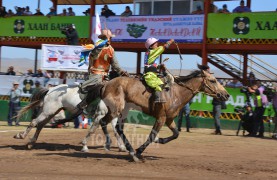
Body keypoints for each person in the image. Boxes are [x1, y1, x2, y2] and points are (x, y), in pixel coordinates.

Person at [78, 29, 128, 109]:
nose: (109, 40)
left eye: (110, 38)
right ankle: (85, 103)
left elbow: (115, 65)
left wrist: (122, 72)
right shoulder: (96, 47)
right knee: (97, 88)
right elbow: (93, 56)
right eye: (106, 38)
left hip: (106, 77)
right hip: (95, 75)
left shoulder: (111, 50)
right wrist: (98, 47)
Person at [144, 37, 174, 103]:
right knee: (158, 85)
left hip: (151, 73)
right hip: (150, 75)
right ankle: (157, 99)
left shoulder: (149, 52)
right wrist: (170, 41)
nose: (157, 44)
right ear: (151, 45)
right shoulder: (153, 51)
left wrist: (160, 65)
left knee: (161, 83)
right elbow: (165, 47)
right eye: (155, 43)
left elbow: (151, 64)